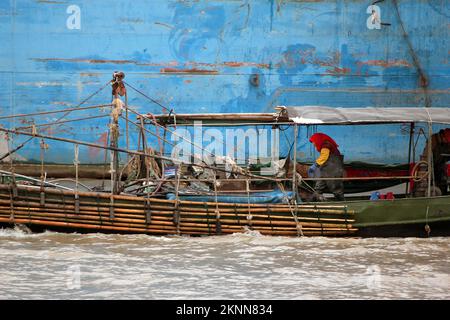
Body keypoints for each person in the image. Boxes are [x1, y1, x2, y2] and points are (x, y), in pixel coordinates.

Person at [308, 133, 345, 201]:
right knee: (318, 187)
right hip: (326, 169)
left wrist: (315, 165)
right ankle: (312, 202)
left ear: (318, 140)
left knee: (336, 188)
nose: (313, 144)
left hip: (333, 169)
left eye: (314, 142)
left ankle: (343, 203)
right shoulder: (325, 145)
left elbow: (324, 157)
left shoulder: (326, 145)